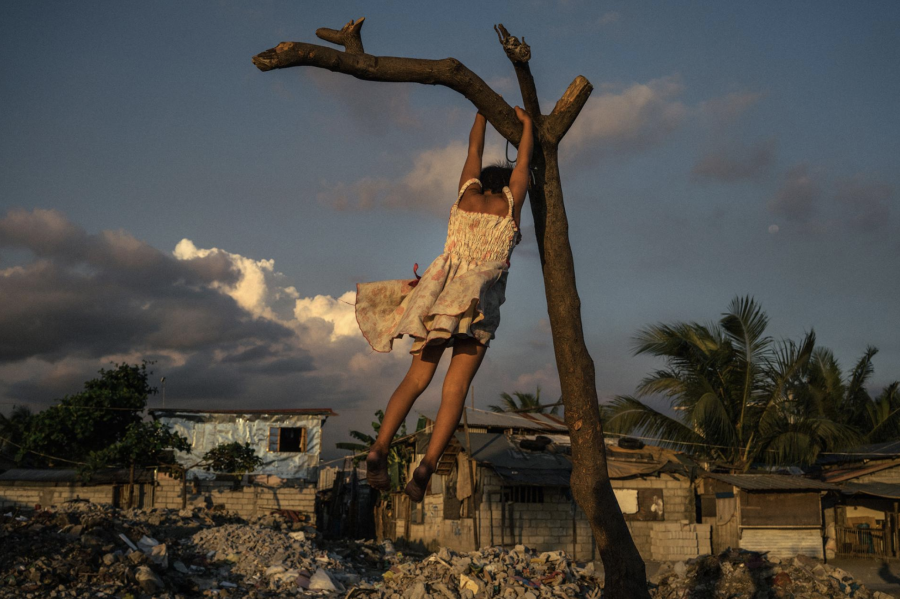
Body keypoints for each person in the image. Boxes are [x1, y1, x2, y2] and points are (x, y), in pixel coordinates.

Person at [354, 106, 534, 502]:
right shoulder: (511, 206)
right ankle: (427, 465)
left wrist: (483, 115)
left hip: (439, 297)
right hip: (479, 301)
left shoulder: (464, 197)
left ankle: (378, 448)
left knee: (415, 380)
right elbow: (523, 163)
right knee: (455, 389)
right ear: (507, 186)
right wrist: (528, 126)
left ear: (479, 180)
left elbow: (473, 147)